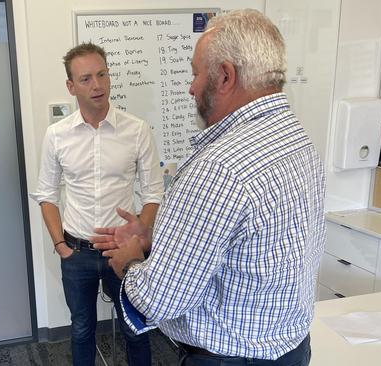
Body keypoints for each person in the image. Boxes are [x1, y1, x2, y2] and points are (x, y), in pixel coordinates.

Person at [92, 9, 325, 366]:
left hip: (228, 358)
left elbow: (157, 300)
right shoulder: (297, 140)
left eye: (195, 73)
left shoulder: (219, 167)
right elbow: (249, 251)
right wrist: (161, 239)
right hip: (292, 350)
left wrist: (130, 260)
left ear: (226, 76)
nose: (190, 86)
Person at [30, 42, 163, 366]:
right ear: (71, 86)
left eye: (102, 74)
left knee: (136, 327)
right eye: (86, 78)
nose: (97, 85)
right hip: (77, 252)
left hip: (124, 250)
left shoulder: (137, 130)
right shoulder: (57, 135)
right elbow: (46, 194)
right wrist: (61, 245)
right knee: (82, 329)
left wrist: (139, 234)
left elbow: (153, 193)